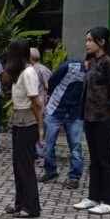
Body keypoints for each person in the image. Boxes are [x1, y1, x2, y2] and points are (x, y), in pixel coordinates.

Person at [74, 27, 110, 215]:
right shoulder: (93, 61)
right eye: (86, 40)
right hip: (90, 116)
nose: (86, 43)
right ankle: (94, 196)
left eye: (90, 40)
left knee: (106, 159)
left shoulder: (109, 62)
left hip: (104, 117)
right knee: (94, 159)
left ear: (101, 42)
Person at [3, 40, 44, 219]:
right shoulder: (21, 72)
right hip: (19, 120)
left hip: (28, 122)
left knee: (25, 166)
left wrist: (41, 128)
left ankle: (31, 207)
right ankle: (21, 203)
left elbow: (37, 103)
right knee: (18, 165)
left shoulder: (28, 73)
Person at [39, 60, 85, 189]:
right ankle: (50, 171)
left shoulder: (93, 73)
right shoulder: (69, 66)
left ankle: (74, 177)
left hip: (75, 113)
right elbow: (52, 82)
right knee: (48, 145)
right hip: (55, 109)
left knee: (75, 147)